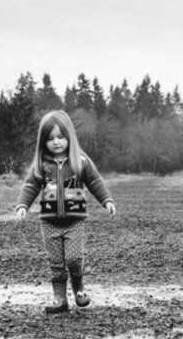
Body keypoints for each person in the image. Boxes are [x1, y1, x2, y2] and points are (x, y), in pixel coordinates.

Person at [15, 110, 116, 313]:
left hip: (74, 221)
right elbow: (30, 185)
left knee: (73, 259)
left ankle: (79, 288)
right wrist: (23, 205)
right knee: (56, 263)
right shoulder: (42, 164)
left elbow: (95, 182)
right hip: (49, 222)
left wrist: (106, 201)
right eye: (50, 138)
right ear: (43, 141)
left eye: (60, 137)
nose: (56, 142)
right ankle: (60, 298)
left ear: (69, 136)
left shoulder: (81, 161)